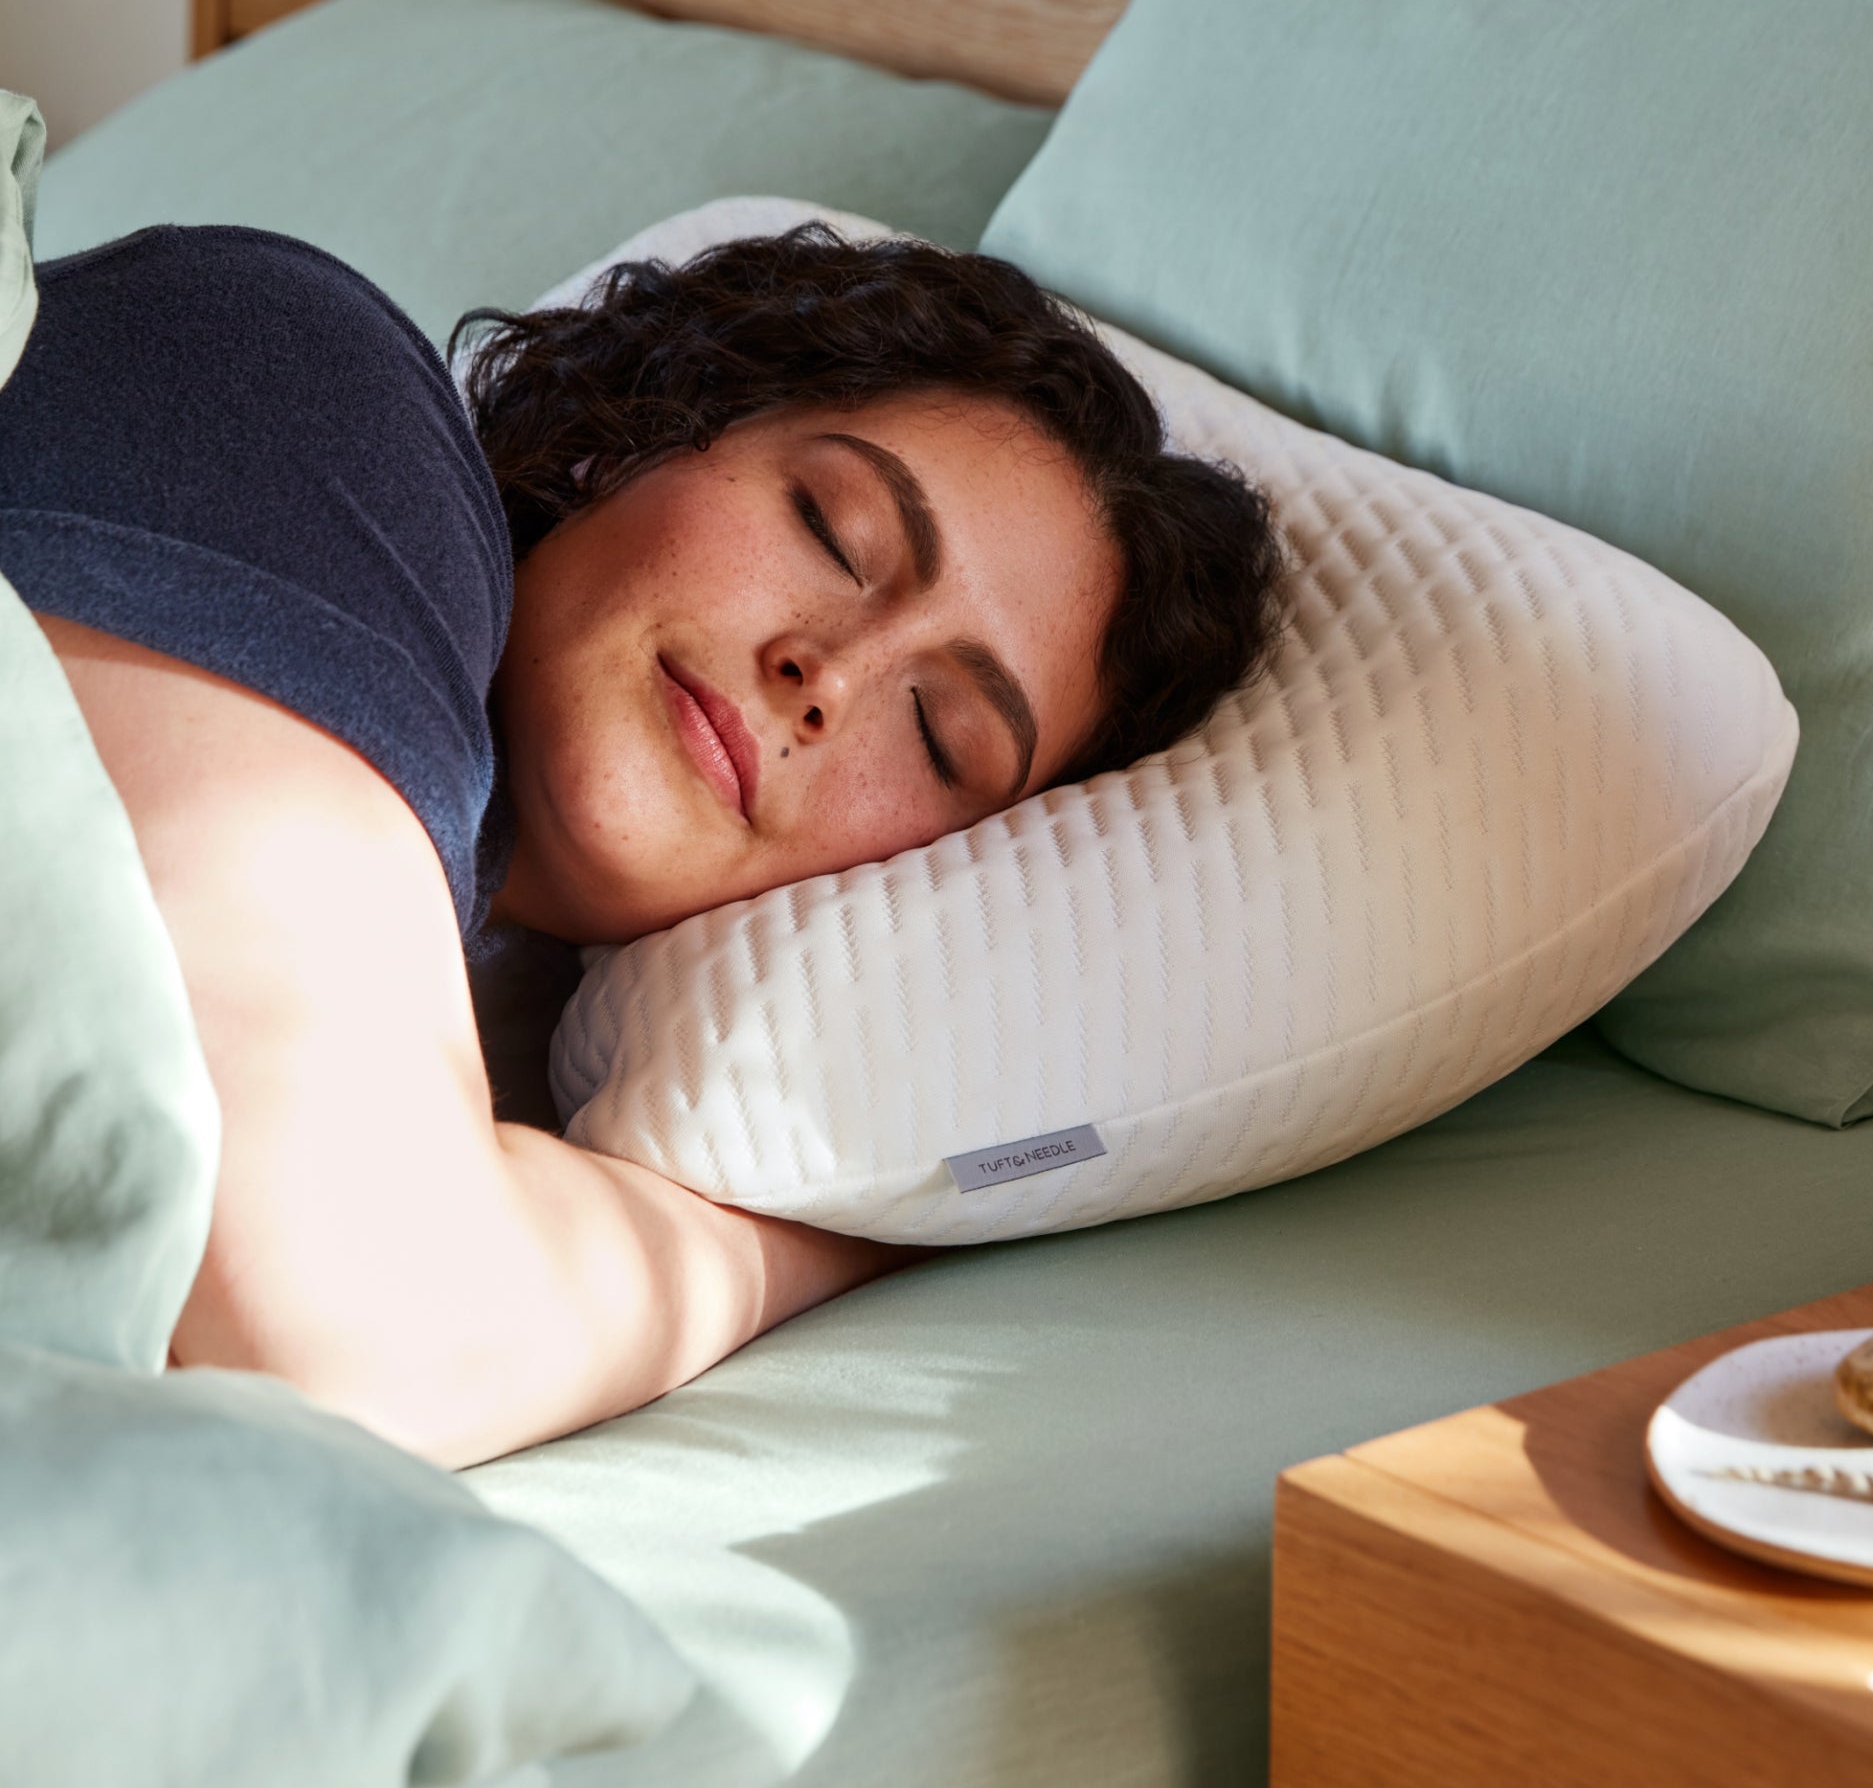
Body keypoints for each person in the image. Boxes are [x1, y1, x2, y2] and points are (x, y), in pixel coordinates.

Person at [0, 222, 1285, 1470]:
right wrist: (818, 1243)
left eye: (938, 736)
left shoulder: (534, 1043)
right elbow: (347, 1325)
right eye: (834, 530)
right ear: (634, 436)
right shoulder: (294, 389)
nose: (829, 676)